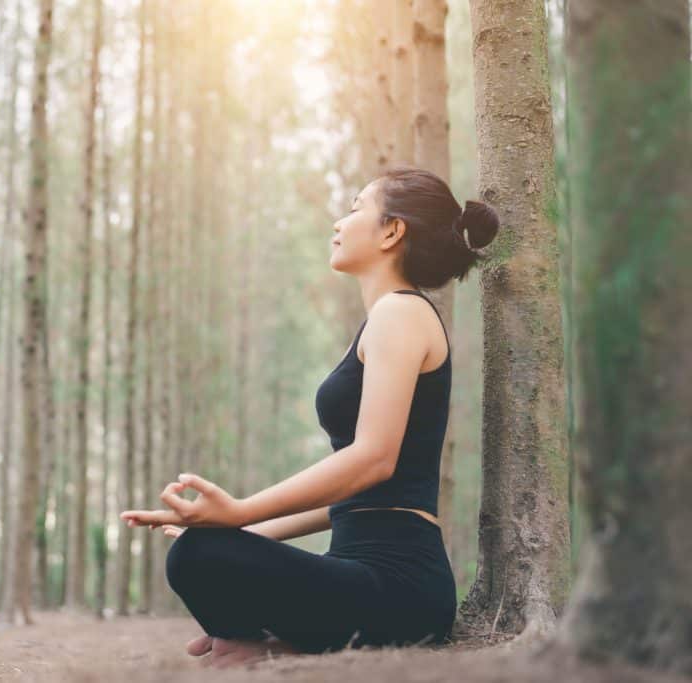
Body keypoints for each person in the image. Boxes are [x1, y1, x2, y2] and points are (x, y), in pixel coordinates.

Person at [120, 166, 501, 669]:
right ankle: (273, 647)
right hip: (355, 570)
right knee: (202, 550)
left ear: (392, 229)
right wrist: (249, 535)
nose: (340, 222)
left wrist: (240, 512)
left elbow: (374, 461)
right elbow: (360, 496)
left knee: (198, 556)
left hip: (401, 586)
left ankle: (272, 645)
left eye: (356, 206)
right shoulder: (385, 319)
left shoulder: (402, 314)